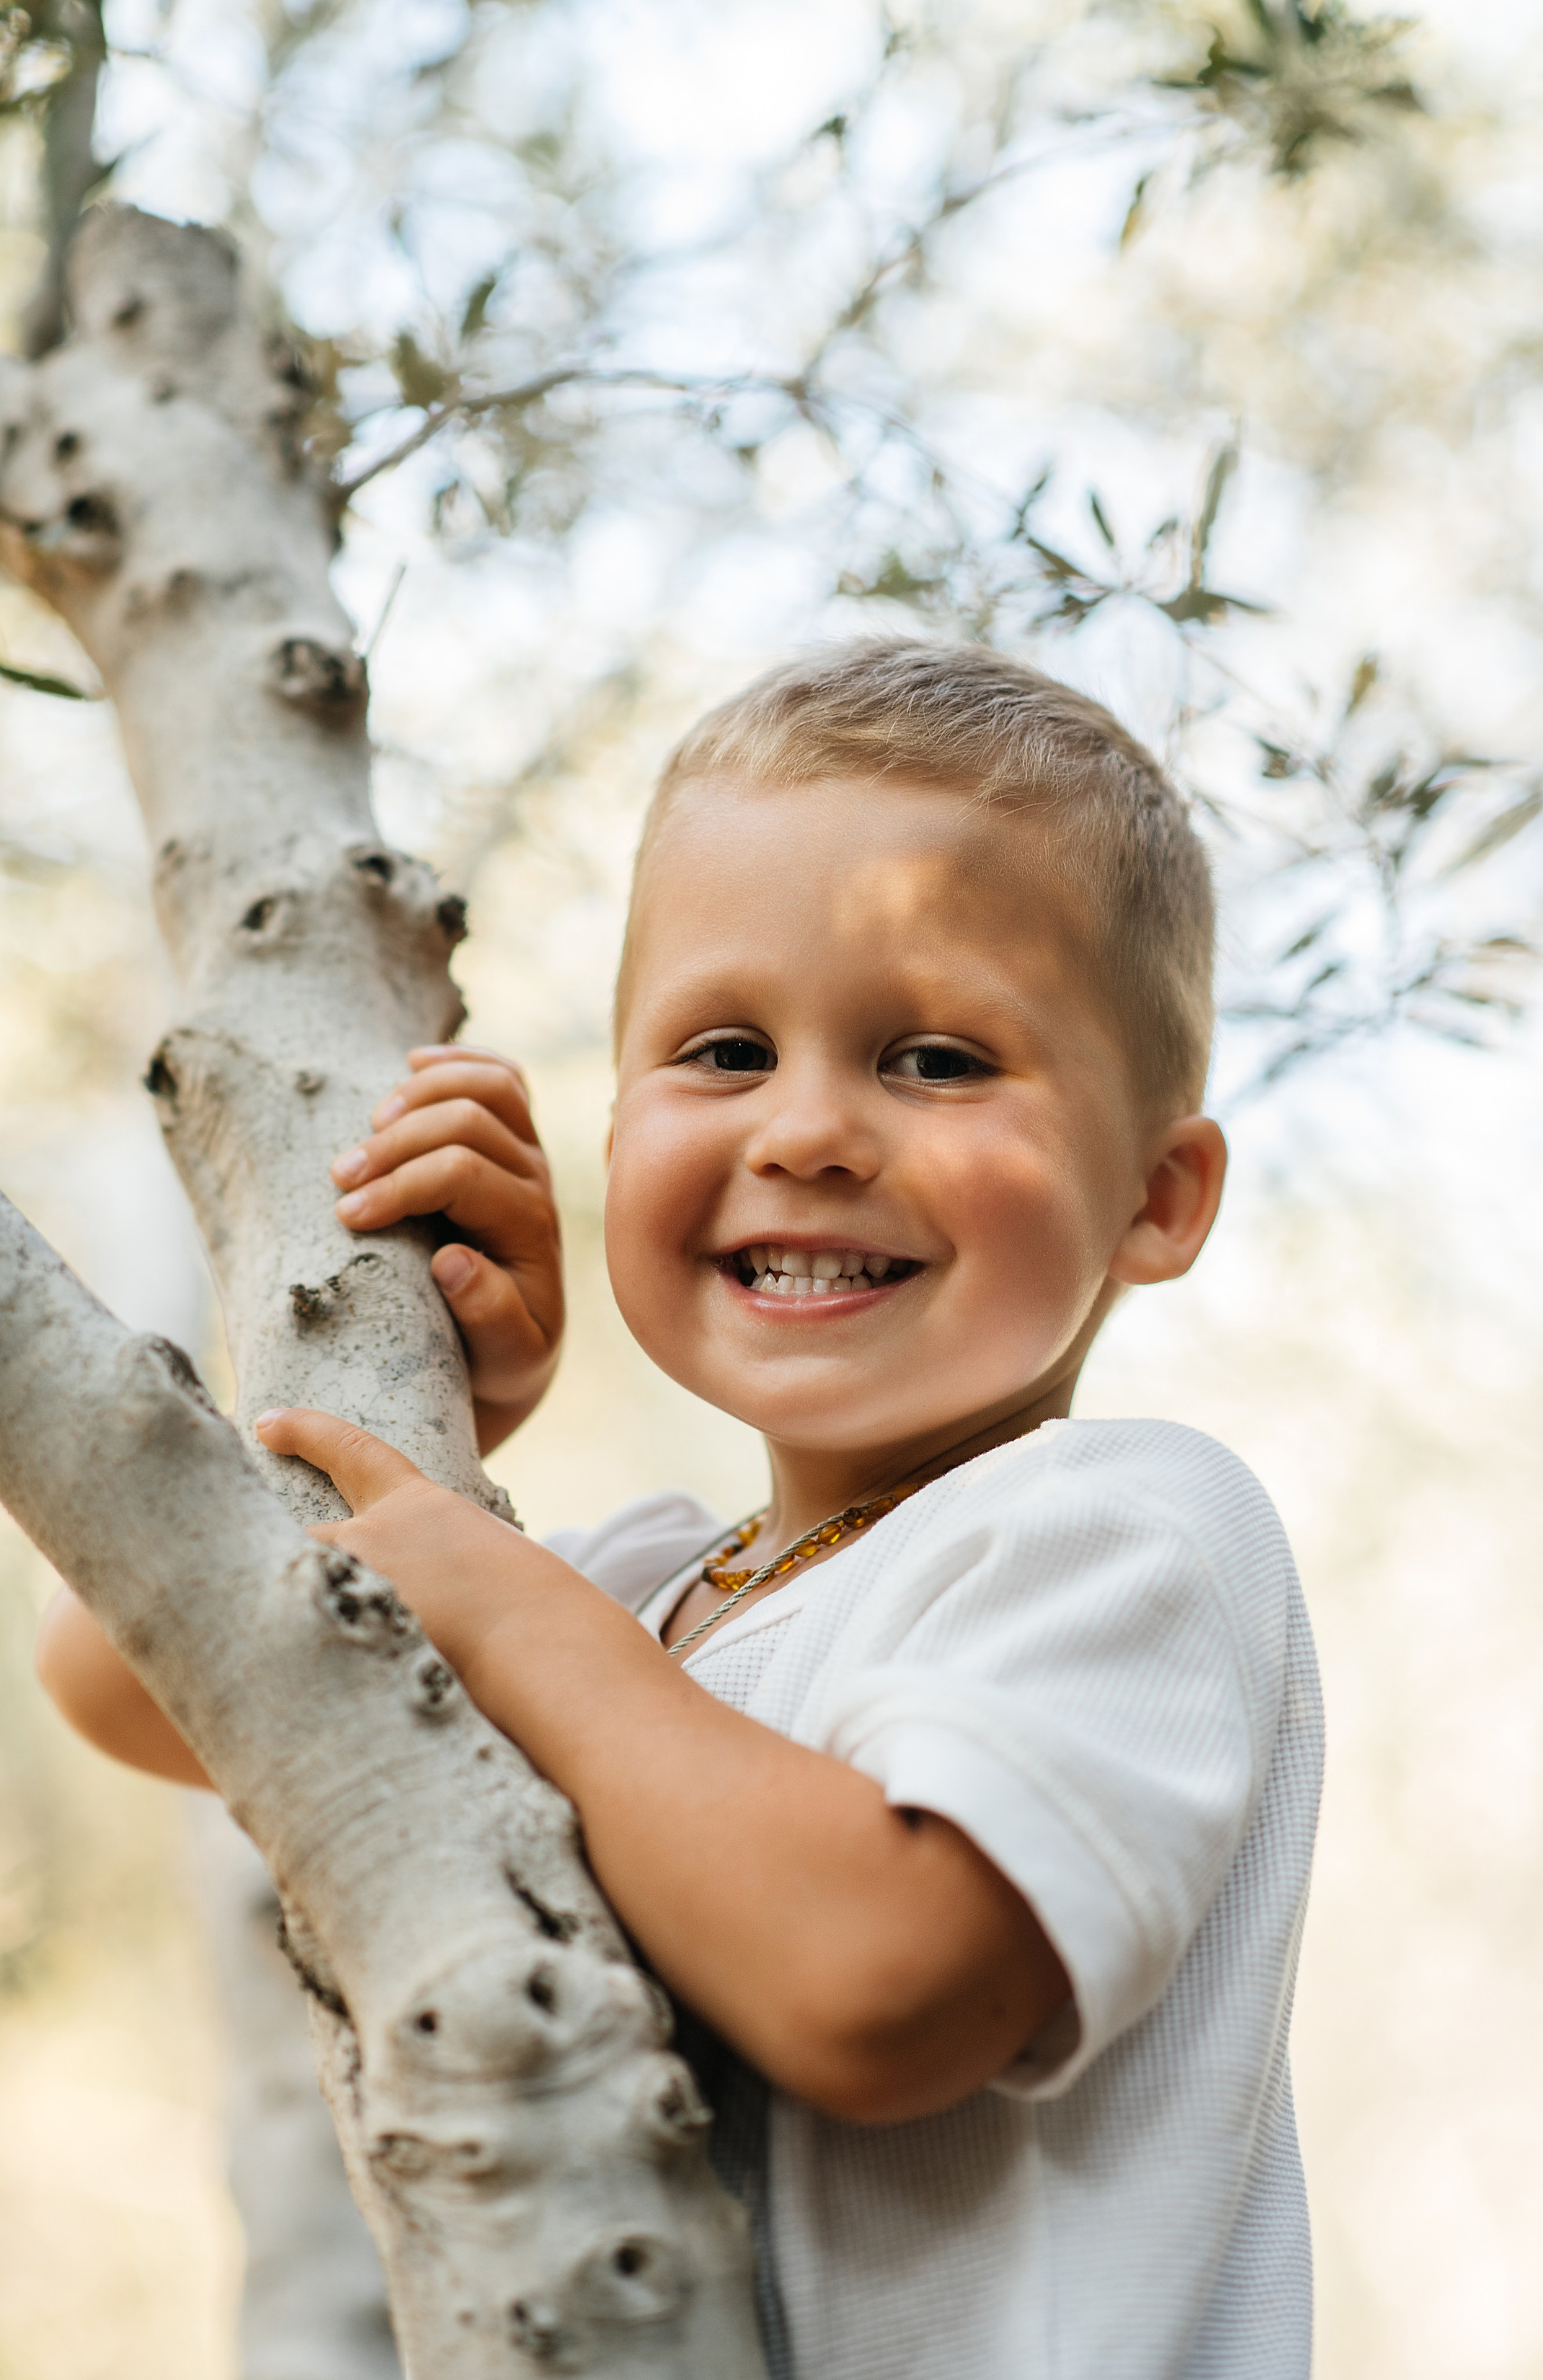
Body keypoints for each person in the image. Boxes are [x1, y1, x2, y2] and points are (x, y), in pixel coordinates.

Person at [38, 640, 1324, 2379]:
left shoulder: (1126, 1527)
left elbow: (880, 1985)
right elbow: (128, 1665)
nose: (806, 1128)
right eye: (723, 1048)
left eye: (937, 1060)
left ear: (1158, 1199)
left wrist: (495, 1602)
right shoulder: (646, 1595)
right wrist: (437, 1407)